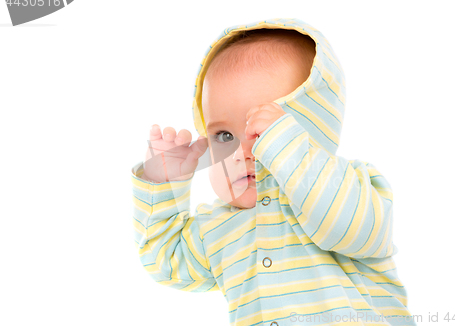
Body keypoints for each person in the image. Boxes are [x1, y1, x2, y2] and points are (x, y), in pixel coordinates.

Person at [131, 18, 416, 326]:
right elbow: (165, 261)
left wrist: (288, 154)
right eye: (225, 136)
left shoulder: (349, 185)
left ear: (315, 130)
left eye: (266, 132)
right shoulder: (217, 228)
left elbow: (348, 225)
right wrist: (162, 182)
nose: (244, 154)